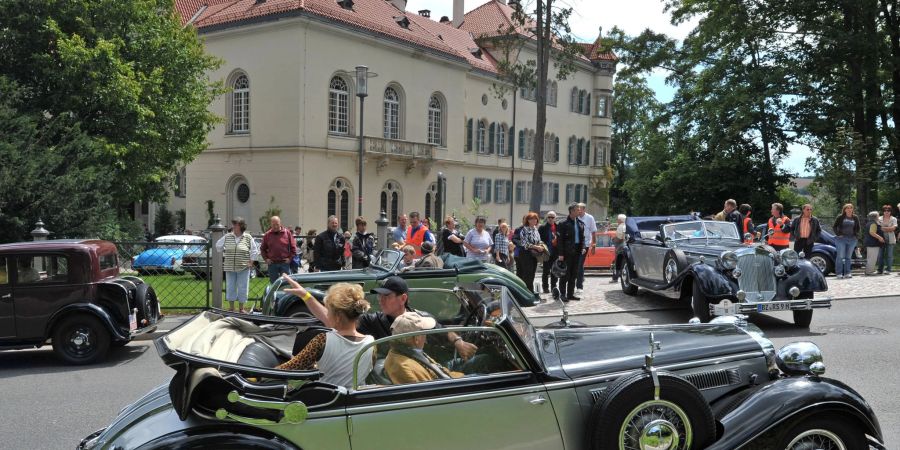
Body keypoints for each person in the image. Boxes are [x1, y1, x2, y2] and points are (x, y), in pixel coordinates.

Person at [285, 275, 476, 357]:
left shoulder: (420, 318)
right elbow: (333, 320)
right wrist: (307, 296)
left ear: (403, 298)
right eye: (381, 295)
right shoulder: (373, 320)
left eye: (387, 296)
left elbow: (445, 331)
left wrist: (459, 343)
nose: (382, 300)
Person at [276, 283, 374, 388]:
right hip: (357, 400)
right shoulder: (371, 342)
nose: (327, 314)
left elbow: (291, 367)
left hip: (328, 399)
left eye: (329, 311)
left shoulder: (322, 340)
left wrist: (262, 373)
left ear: (338, 316)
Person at [384, 312, 463, 384]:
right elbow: (425, 394)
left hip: (446, 376)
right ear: (417, 338)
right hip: (449, 387)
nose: (426, 335)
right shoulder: (402, 368)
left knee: (474, 362)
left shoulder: (407, 351)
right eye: (424, 331)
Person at [216, 217, 259, 313]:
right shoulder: (227, 236)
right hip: (229, 267)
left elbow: (255, 250)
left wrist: (251, 262)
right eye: (233, 224)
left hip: (244, 267)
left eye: (236, 225)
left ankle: (241, 308)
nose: (233, 226)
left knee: (243, 287)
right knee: (230, 286)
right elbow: (218, 245)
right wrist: (225, 252)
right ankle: (231, 308)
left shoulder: (248, 237)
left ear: (241, 226)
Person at [556, 203, 586, 301]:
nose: (579, 211)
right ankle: (562, 294)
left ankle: (570, 294)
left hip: (577, 251)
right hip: (567, 252)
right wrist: (560, 254)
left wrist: (583, 247)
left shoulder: (580, 223)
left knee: (574, 274)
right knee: (565, 274)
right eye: (578, 209)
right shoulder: (563, 223)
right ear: (572, 211)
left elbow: (583, 238)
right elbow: (560, 240)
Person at [260, 216, 298, 282]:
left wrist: (290, 258)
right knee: (274, 285)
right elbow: (262, 249)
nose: (275, 226)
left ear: (280, 223)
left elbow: (293, 247)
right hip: (272, 264)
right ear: (270, 224)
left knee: (286, 283)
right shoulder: (267, 235)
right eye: (273, 225)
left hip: (285, 264)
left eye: (277, 224)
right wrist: (266, 259)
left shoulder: (287, 233)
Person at [513, 212, 542, 293]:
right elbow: (524, 243)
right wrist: (536, 247)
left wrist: (541, 246)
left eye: (535, 219)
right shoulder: (523, 229)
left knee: (532, 274)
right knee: (526, 274)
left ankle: (530, 291)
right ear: (527, 220)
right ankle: (525, 292)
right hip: (525, 254)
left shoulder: (535, 229)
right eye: (531, 219)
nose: (534, 220)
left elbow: (538, 240)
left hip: (534, 254)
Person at [832, 204, 860, 279]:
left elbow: (858, 228)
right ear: (844, 209)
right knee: (840, 256)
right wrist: (838, 234)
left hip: (852, 239)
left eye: (851, 208)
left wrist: (856, 236)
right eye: (847, 208)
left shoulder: (855, 217)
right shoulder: (840, 217)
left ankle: (847, 273)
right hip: (841, 239)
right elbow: (834, 227)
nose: (849, 209)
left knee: (848, 257)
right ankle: (839, 273)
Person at [576, 203, 598, 295]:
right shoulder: (575, 217)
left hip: (585, 244)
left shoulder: (590, 218)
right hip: (575, 244)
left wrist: (593, 246)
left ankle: (579, 286)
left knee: (580, 264)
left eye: (579, 209)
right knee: (576, 264)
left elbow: (593, 232)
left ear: (584, 209)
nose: (578, 211)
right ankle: (580, 278)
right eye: (577, 209)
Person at [538, 211, 559, 293]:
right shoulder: (542, 227)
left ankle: (554, 287)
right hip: (546, 252)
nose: (550, 219)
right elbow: (539, 240)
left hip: (555, 252)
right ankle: (545, 287)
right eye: (549, 217)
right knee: (546, 271)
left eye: (552, 217)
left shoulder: (558, 227)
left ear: (555, 218)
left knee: (555, 271)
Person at [864, 211, 885, 276]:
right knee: (872, 258)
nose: (879, 217)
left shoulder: (869, 223)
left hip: (870, 243)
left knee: (870, 258)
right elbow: (872, 232)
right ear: (875, 217)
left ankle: (868, 271)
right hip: (873, 243)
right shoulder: (873, 224)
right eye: (878, 216)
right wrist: (880, 238)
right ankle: (869, 271)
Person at [877, 205, 896, 274]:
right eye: (885, 210)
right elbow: (878, 228)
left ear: (890, 212)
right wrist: (889, 228)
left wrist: (883, 228)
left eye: (888, 210)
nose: (886, 212)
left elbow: (893, 228)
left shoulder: (893, 219)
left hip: (890, 239)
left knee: (889, 255)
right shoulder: (879, 218)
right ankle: (880, 269)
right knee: (880, 255)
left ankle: (888, 269)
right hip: (881, 238)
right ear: (883, 211)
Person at [610, 214, 627, 282]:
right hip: (624, 245)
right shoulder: (625, 226)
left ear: (620, 220)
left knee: (617, 262)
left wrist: (613, 239)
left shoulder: (620, 226)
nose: (617, 220)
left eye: (618, 219)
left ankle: (615, 277)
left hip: (620, 246)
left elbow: (620, 238)